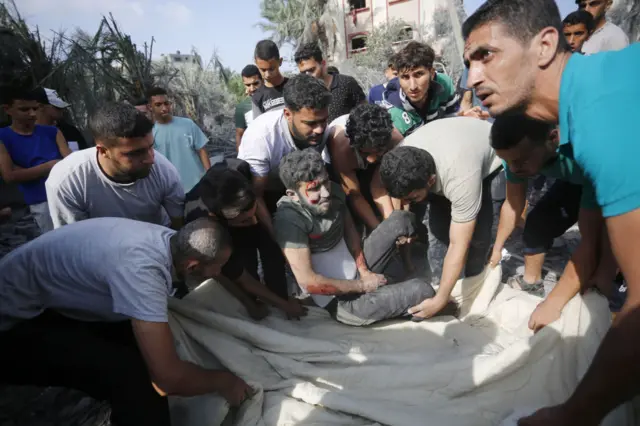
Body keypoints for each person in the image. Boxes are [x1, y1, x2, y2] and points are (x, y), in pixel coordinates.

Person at [462, 0, 639, 423]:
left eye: (486, 54)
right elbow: (597, 235)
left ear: (544, 45)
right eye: (468, 62)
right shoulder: (589, 108)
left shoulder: (600, 118)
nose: (473, 77)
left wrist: (573, 414)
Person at [0, 217, 253, 426]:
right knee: (133, 380)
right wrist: (224, 381)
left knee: (148, 349)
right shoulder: (142, 271)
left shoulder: (173, 241)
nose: (219, 274)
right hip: (17, 320)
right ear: (192, 266)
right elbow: (167, 380)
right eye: (217, 268)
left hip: (50, 295)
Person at [273, 148, 435, 326]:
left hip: (358, 270)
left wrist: (364, 270)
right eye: (315, 189)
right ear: (293, 195)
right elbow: (308, 282)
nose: (326, 192)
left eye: (325, 182)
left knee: (401, 219)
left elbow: (351, 233)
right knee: (423, 290)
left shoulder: (333, 191)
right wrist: (363, 286)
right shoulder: (288, 220)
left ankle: (396, 276)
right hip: (340, 300)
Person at [488, 115, 616, 312]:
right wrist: (497, 248)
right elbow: (513, 203)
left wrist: (553, 304)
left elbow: (591, 235)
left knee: (609, 243)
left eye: (521, 161)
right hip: (578, 180)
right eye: (507, 161)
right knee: (538, 224)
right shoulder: (515, 154)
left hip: (616, 181)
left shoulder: (588, 152)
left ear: (553, 138)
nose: (513, 168)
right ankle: (531, 282)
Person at [379, 117, 502, 320]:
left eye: (413, 198)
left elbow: (458, 243)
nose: (410, 201)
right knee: (437, 233)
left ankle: (468, 289)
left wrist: (440, 301)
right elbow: (402, 197)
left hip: (488, 164)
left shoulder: (460, 177)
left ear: (431, 180)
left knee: (479, 237)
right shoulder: (401, 158)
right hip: (448, 153)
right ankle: (440, 286)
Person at [184, 160, 305, 320]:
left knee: (272, 249)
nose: (253, 222)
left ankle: (279, 294)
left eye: (252, 214)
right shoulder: (204, 230)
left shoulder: (239, 171)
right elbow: (233, 274)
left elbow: (255, 201)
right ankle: (258, 300)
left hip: (244, 210)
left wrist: (275, 236)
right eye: (245, 221)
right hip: (222, 231)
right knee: (245, 261)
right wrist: (250, 304)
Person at [46, 102, 185, 230]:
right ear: (103, 151)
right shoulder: (68, 181)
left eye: (151, 147)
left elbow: (178, 226)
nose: (150, 159)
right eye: (135, 153)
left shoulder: (164, 171)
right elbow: (75, 240)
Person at [238, 73, 331, 238]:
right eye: (310, 123)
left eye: (323, 120)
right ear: (288, 114)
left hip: (301, 190)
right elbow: (256, 195)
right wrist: (279, 239)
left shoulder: (322, 129)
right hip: (264, 196)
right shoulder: (261, 138)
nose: (320, 130)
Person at [0, 87, 71, 233]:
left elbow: (70, 163)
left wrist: (26, 171)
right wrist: (50, 166)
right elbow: (9, 176)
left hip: (64, 197)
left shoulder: (52, 131)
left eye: (35, 108)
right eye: (24, 109)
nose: (32, 114)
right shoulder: (4, 137)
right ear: (7, 109)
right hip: (33, 205)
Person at [325, 104, 404, 231]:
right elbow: (355, 195)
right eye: (365, 153)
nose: (371, 159)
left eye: (377, 151)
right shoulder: (341, 149)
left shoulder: (395, 139)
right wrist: (381, 231)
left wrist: (395, 223)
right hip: (345, 164)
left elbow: (383, 187)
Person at [378, 41, 461, 136]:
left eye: (418, 74)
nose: (413, 86)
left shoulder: (445, 84)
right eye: (405, 77)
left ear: (432, 73)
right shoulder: (393, 113)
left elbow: (454, 121)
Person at [148, 87, 211, 192]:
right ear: (150, 107)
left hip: (198, 184)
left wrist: (210, 175)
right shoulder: (150, 134)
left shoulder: (188, 124)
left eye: (166, 103)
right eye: (158, 105)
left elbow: (202, 150)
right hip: (171, 190)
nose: (164, 108)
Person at [294, 41, 365, 123]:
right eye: (303, 72)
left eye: (311, 70)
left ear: (323, 63)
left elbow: (365, 113)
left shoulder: (346, 83)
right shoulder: (303, 93)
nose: (308, 76)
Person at [251, 40, 289, 118]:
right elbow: (259, 127)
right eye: (263, 70)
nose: (267, 75)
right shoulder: (257, 97)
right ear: (256, 63)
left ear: (280, 62)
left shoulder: (295, 86)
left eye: (271, 69)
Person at [235, 65, 263, 150]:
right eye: (248, 85)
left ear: (262, 81)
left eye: (255, 83)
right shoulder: (241, 107)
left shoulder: (273, 97)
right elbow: (239, 134)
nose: (252, 88)